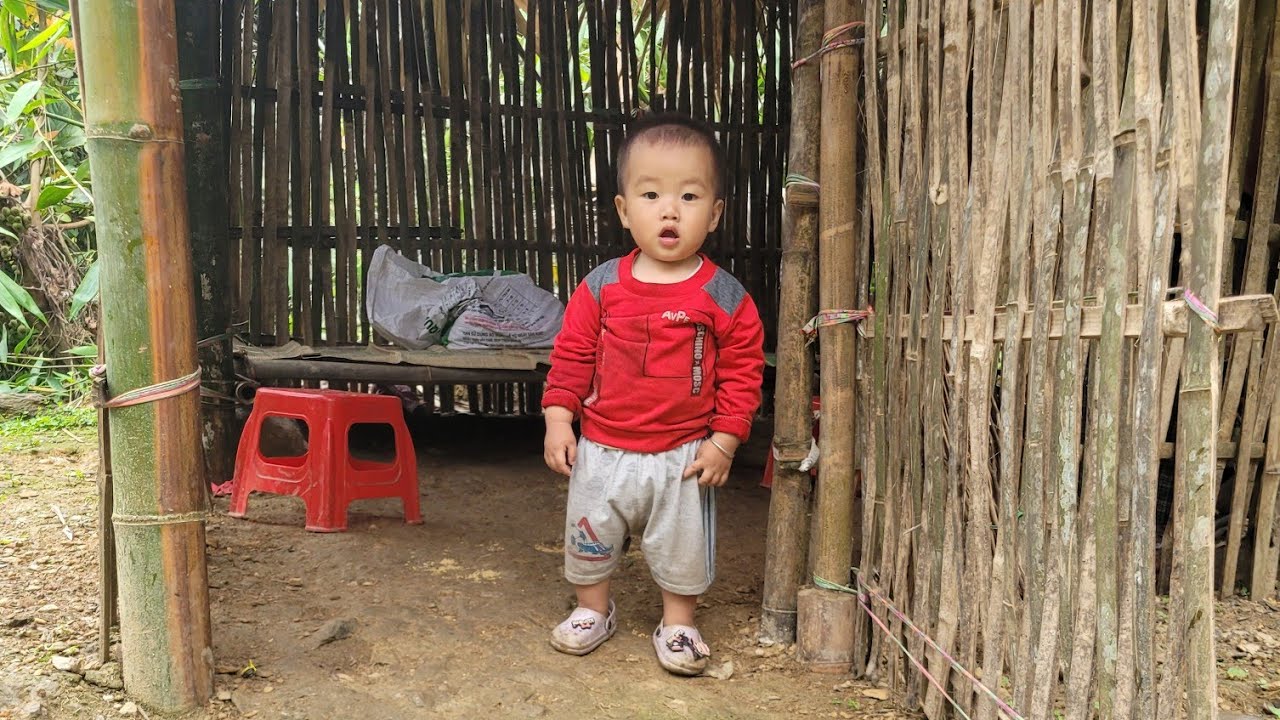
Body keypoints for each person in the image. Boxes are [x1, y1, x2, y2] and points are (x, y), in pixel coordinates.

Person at [540, 112, 765, 676]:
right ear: (623, 209)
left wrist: (726, 440)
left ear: (713, 214)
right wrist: (558, 419)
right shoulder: (601, 286)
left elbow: (743, 373)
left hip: (684, 454)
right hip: (604, 448)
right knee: (590, 534)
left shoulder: (725, 295)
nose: (670, 210)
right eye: (651, 194)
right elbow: (571, 355)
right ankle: (594, 609)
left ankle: (679, 622)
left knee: (680, 545)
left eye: (689, 196)